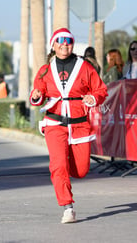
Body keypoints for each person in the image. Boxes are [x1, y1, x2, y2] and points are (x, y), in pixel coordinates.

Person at [30, 28, 107, 224]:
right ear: (53, 45)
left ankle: (67, 177)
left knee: (81, 170)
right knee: (58, 165)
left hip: (80, 124)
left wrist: (93, 98)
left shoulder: (85, 67)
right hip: (54, 122)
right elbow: (37, 93)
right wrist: (36, 97)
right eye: (60, 41)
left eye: (69, 41)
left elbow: (101, 90)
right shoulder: (45, 70)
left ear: (72, 44)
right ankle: (67, 207)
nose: (65, 44)